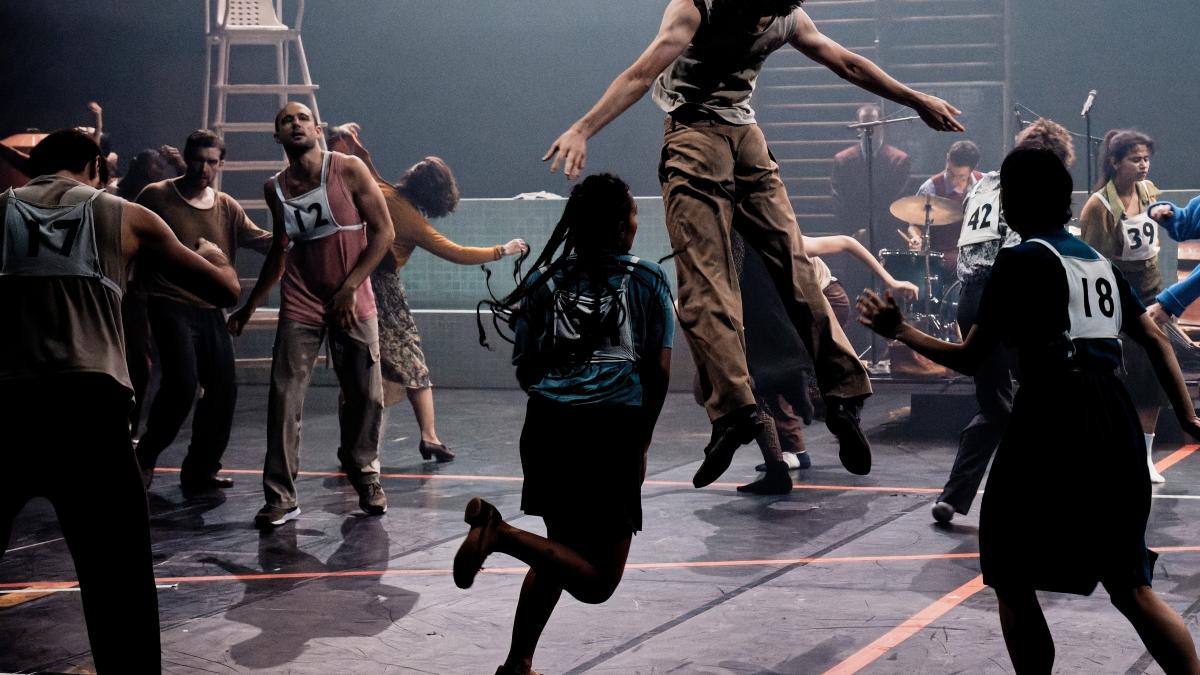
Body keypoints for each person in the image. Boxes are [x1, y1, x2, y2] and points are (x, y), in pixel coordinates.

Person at [543, 0, 964, 488]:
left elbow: (640, 76)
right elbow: (845, 61)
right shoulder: (751, 13)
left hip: (696, 135)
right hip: (748, 138)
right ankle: (843, 392)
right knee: (796, 269)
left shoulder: (710, 8)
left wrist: (582, 128)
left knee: (705, 281)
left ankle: (735, 412)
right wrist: (915, 100)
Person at [858, 147, 1200, 674]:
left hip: (1052, 414)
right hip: (1113, 413)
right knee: (1130, 585)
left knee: (1012, 572)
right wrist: (1190, 415)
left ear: (1011, 203)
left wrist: (900, 331)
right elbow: (1154, 338)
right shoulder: (1098, 262)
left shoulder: (1019, 261)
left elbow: (972, 357)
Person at [0, 129, 240, 673]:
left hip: (10, 403)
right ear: (91, 166)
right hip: (89, 409)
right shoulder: (125, 215)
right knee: (119, 580)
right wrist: (215, 256)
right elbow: (223, 291)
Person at [456, 173, 673, 675]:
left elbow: (525, 367)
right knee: (598, 582)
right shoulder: (648, 279)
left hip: (548, 429)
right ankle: (498, 534)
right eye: (633, 217)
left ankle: (517, 663)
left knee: (559, 551)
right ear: (622, 227)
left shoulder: (544, 281)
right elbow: (658, 374)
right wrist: (640, 442)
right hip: (609, 430)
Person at [227, 102, 395, 528]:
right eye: (287, 120)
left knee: (367, 395)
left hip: (351, 296)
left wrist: (351, 286)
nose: (296, 124)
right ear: (277, 136)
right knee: (284, 396)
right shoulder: (275, 188)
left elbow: (384, 232)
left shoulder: (348, 168)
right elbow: (281, 249)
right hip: (302, 298)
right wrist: (248, 307)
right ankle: (281, 496)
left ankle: (364, 471)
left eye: (303, 118)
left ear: (317, 128)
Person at [328, 124, 527, 462]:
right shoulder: (409, 218)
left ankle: (356, 444)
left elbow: (366, 166)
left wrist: (352, 142)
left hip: (348, 278)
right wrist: (502, 250)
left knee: (356, 368)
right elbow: (457, 252)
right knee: (412, 365)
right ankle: (428, 437)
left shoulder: (382, 192)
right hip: (380, 290)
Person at [931, 118, 1073, 524]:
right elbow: (1028, 248)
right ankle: (1043, 496)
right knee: (1045, 396)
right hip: (1010, 296)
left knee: (994, 404)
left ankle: (953, 497)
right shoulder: (1032, 187)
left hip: (970, 298)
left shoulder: (983, 183)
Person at [133, 130, 273, 490]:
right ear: (187, 157)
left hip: (211, 310)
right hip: (168, 303)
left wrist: (302, 234)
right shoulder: (157, 196)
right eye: (198, 159)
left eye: (212, 161)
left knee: (224, 390)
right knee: (181, 386)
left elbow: (264, 242)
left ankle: (201, 467)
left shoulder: (226, 206)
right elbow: (129, 238)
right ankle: (144, 457)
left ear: (221, 164)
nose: (204, 167)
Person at [740, 233, 919, 494]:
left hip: (826, 298)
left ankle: (836, 409)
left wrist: (891, 280)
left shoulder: (779, 239)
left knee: (789, 372)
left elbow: (848, 242)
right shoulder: (743, 257)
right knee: (775, 373)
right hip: (789, 308)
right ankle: (800, 444)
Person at [1079, 130, 1166, 483]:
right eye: (1135, 158)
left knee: (1154, 375)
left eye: (1146, 158)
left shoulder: (1150, 193)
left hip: (1152, 293)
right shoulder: (1099, 206)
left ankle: (1146, 456)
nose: (1143, 164)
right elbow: (1094, 263)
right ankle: (1113, 451)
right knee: (1121, 377)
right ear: (1115, 163)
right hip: (1117, 297)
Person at [119, 146, 185, 440]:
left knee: (140, 358)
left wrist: (180, 165)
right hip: (107, 285)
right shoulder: (111, 193)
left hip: (138, 289)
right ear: (135, 166)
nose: (153, 173)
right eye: (149, 167)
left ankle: (132, 421)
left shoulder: (159, 198)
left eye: (158, 169)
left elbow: (191, 187)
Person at [831, 103, 914, 239]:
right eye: (864, 125)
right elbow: (839, 200)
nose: (869, 130)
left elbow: (898, 200)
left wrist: (875, 231)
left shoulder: (899, 161)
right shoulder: (843, 160)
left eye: (873, 124)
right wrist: (855, 230)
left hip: (889, 234)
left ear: (882, 125)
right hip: (853, 236)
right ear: (857, 127)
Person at [907, 139, 982, 272]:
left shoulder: (985, 183)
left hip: (978, 255)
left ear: (973, 168)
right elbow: (914, 224)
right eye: (950, 173)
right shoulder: (930, 188)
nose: (954, 180)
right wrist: (916, 238)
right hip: (944, 259)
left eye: (961, 176)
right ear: (947, 159)